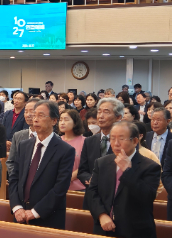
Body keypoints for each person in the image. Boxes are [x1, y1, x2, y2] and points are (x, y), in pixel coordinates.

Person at [9, 100, 75, 229]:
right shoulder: (24, 145)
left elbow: (60, 187)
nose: (35, 119)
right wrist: (17, 207)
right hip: (20, 215)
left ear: (54, 120)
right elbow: (14, 178)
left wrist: (35, 212)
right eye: (34, 115)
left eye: (41, 115)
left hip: (48, 217)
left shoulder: (65, 150)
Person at [78, 98, 123, 209]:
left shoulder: (125, 142)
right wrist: (89, 179)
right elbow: (82, 171)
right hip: (92, 198)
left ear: (118, 117)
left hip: (115, 199)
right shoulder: (89, 141)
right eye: (99, 111)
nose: (100, 116)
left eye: (106, 112)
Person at [59, 109, 86, 191]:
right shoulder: (56, 140)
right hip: (57, 187)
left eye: (66, 120)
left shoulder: (85, 141)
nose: (62, 122)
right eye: (60, 120)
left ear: (75, 122)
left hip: (78, 188)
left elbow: (84, 166)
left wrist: (67, 178)